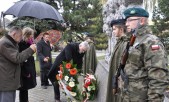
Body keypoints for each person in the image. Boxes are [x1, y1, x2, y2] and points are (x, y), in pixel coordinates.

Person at [119, 7, 169, 101]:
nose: (126, 24)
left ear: (141, 21)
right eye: (126, 21)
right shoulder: (133, 40)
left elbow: (158, 78)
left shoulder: (151, 42)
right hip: (129, 96)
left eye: (129, 20)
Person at [0, 26, 36, 102]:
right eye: (20, 36)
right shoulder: (5, 43)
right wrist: (30, 49)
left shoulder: (10, 42)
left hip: (9, 80)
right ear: (14, 34)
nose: (21, 38)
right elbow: (17, 58)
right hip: (7, 81)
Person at [106, 19, 128, 102]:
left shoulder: (125, 43)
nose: (113, 32)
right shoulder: (119, 42)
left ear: (121, 29)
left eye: (114, 29)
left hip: (120, 81)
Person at [18, 27, 37, 102]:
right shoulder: (21, 44)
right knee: (23, 89)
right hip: (24, 70)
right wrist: (26, 72)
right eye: (31, 35)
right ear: (27, 35)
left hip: (28, 68)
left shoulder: (29, 43)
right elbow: (22, 58)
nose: (32, 37)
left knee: (25, 89)